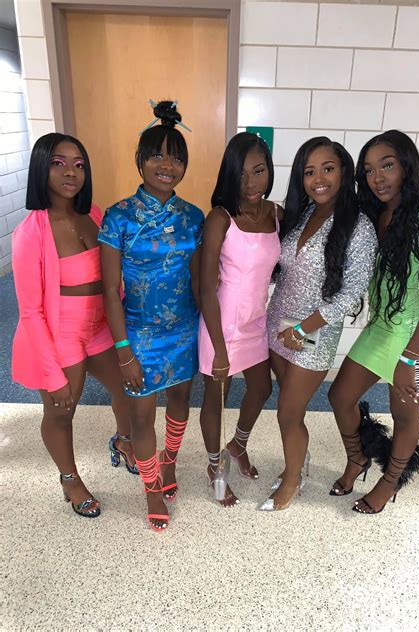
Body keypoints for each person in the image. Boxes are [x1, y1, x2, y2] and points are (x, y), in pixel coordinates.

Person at [12, 133, 137, 520]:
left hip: (100, 324)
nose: (71, 172)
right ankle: (70, 480)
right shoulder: (30, 233)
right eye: (58, 163)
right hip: (60, 332)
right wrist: (52, 374)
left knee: (130, 389)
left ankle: (123, 441)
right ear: (41, 168)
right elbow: (31, 312)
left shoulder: (94, 214)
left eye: (79, 164)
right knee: (61, 410)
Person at [328, 130, 419, 514]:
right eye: (368, 170)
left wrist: (410, 357)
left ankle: (390, 481)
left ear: (406, 167)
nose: (377, 177)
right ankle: (358, 459)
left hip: (417, 331)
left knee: (405, 413)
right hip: (382, 326)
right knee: (340, 396)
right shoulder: (372, 213)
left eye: (387, 165)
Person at [99, 101, 204, 531]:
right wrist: (123, 351)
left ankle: (171, 462)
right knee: (141, 416)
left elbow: (200, 284)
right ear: (140, 161)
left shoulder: (193, 217)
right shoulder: (119, 216)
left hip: (184, 329)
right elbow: (109, 290)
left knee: (180, 401)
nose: (168, 165)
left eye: (177, 157)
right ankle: (150, 487)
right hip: (138, 336)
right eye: (157, 155)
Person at [260, 136, 378, 512]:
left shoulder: (359, 227)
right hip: (278, 323)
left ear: (344, 170)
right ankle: (298, 461)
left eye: (328, 168)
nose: (319, 178)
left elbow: (350, 295)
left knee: (288, 413)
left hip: (313, 333)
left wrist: (303, 328)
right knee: (289, 408)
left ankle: (293, 478)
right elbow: (283, 271)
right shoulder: (302, 214)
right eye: (309, 172)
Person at [199, 132, 282, 507]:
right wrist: (218, 348)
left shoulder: (277, 214)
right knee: (217, 396)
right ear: (229, 176)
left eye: (259, 171)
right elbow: (204, 288)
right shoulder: (220, 218)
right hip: (223, 322)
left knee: (262, 388)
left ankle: (238, 443)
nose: (251, 183)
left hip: (257, 320)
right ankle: (215, 466)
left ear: (269, 171)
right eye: (242, 175)